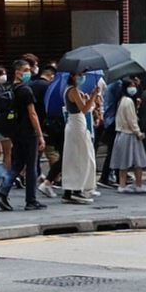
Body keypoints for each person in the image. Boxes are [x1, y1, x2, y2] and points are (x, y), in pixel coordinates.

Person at [0, 60, 45, 212]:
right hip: (28, 132)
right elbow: (32, 114)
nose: (29, 72)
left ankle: (3, 194)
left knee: (17, 165)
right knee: (31, 167)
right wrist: (40, 135)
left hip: (15, 133)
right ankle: (31, 200)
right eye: (26, 69)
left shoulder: (10, 88)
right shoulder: (25, 90)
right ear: (18, 72)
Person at [60, 71, 100, 204]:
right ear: (73, 76)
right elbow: (84, 109)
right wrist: (94, 95)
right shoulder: (72, 91)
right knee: (80, 156)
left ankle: (71, 189)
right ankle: (76, 189)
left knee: (75, 156)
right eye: (79, 75)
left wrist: (88, 98)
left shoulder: (72, 90)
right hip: (77, 123)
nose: (82, 77)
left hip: (76, 122)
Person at [109, 80, 146, 194]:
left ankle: (122, 184)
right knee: (138, 160)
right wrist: (139, 133)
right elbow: (132, 120)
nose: (134, 87)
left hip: (121, 133)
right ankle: (138, 184)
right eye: (131, 85)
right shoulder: (128, 102)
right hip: (130, 134)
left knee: (123, 162)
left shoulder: (122, 100)